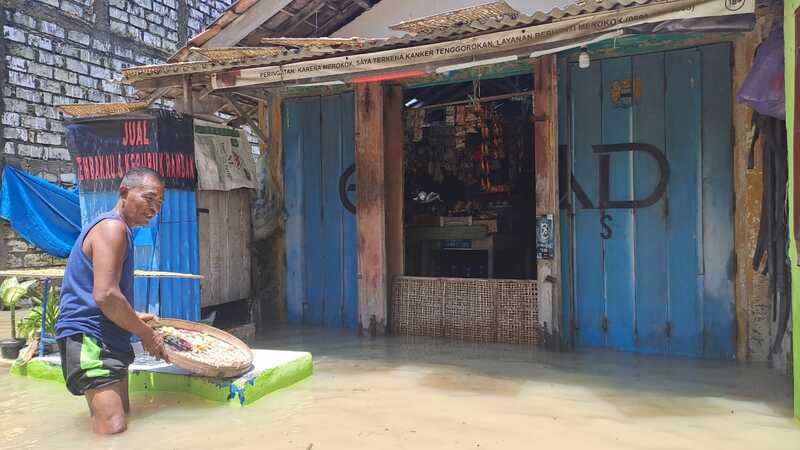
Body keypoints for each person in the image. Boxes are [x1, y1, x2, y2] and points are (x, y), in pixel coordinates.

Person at [55, 167, 168, 435]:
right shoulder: (112, 228)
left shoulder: (120, 229)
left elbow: (106, 293)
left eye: (159, 204)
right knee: (113, 428)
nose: (154, 209)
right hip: (89, 336)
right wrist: (146, 334)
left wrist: (133, 317)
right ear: (124, 192)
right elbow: (105, 295)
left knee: (122, 418)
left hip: (107, 334)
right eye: (149, 198)